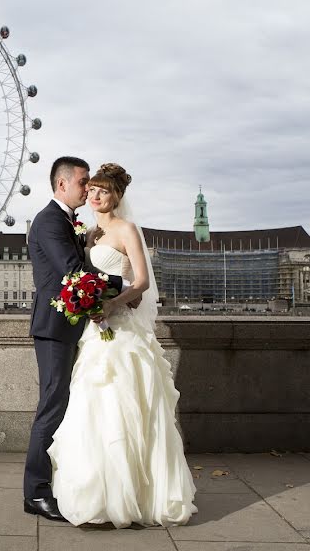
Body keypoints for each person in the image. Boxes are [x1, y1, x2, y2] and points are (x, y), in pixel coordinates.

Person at [47, 163, 198, 528]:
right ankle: (102, 493)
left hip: (124, 331)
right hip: (98, 332)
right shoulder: (88, 235)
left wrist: (113, 303)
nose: (95, 196)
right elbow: (85, 277)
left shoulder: (126, 229)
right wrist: (88, 302)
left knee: (129, 408)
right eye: (92, 190)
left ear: (116, 196)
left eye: (102, 191)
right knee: (96, 409)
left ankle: (135, 496)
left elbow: (142, 281)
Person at [23, 156, 126, 521]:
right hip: (53, 327)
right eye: (83, 182)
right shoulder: (50, 220)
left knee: (59, 404)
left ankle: (47, 486)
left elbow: (68, 257)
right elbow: (72, 272)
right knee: (51, 406)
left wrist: (85, 238)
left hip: (64, 326)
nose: (89, 188)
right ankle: (35, 493)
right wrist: (122, 286)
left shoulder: (63, 222)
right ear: (62, 184)